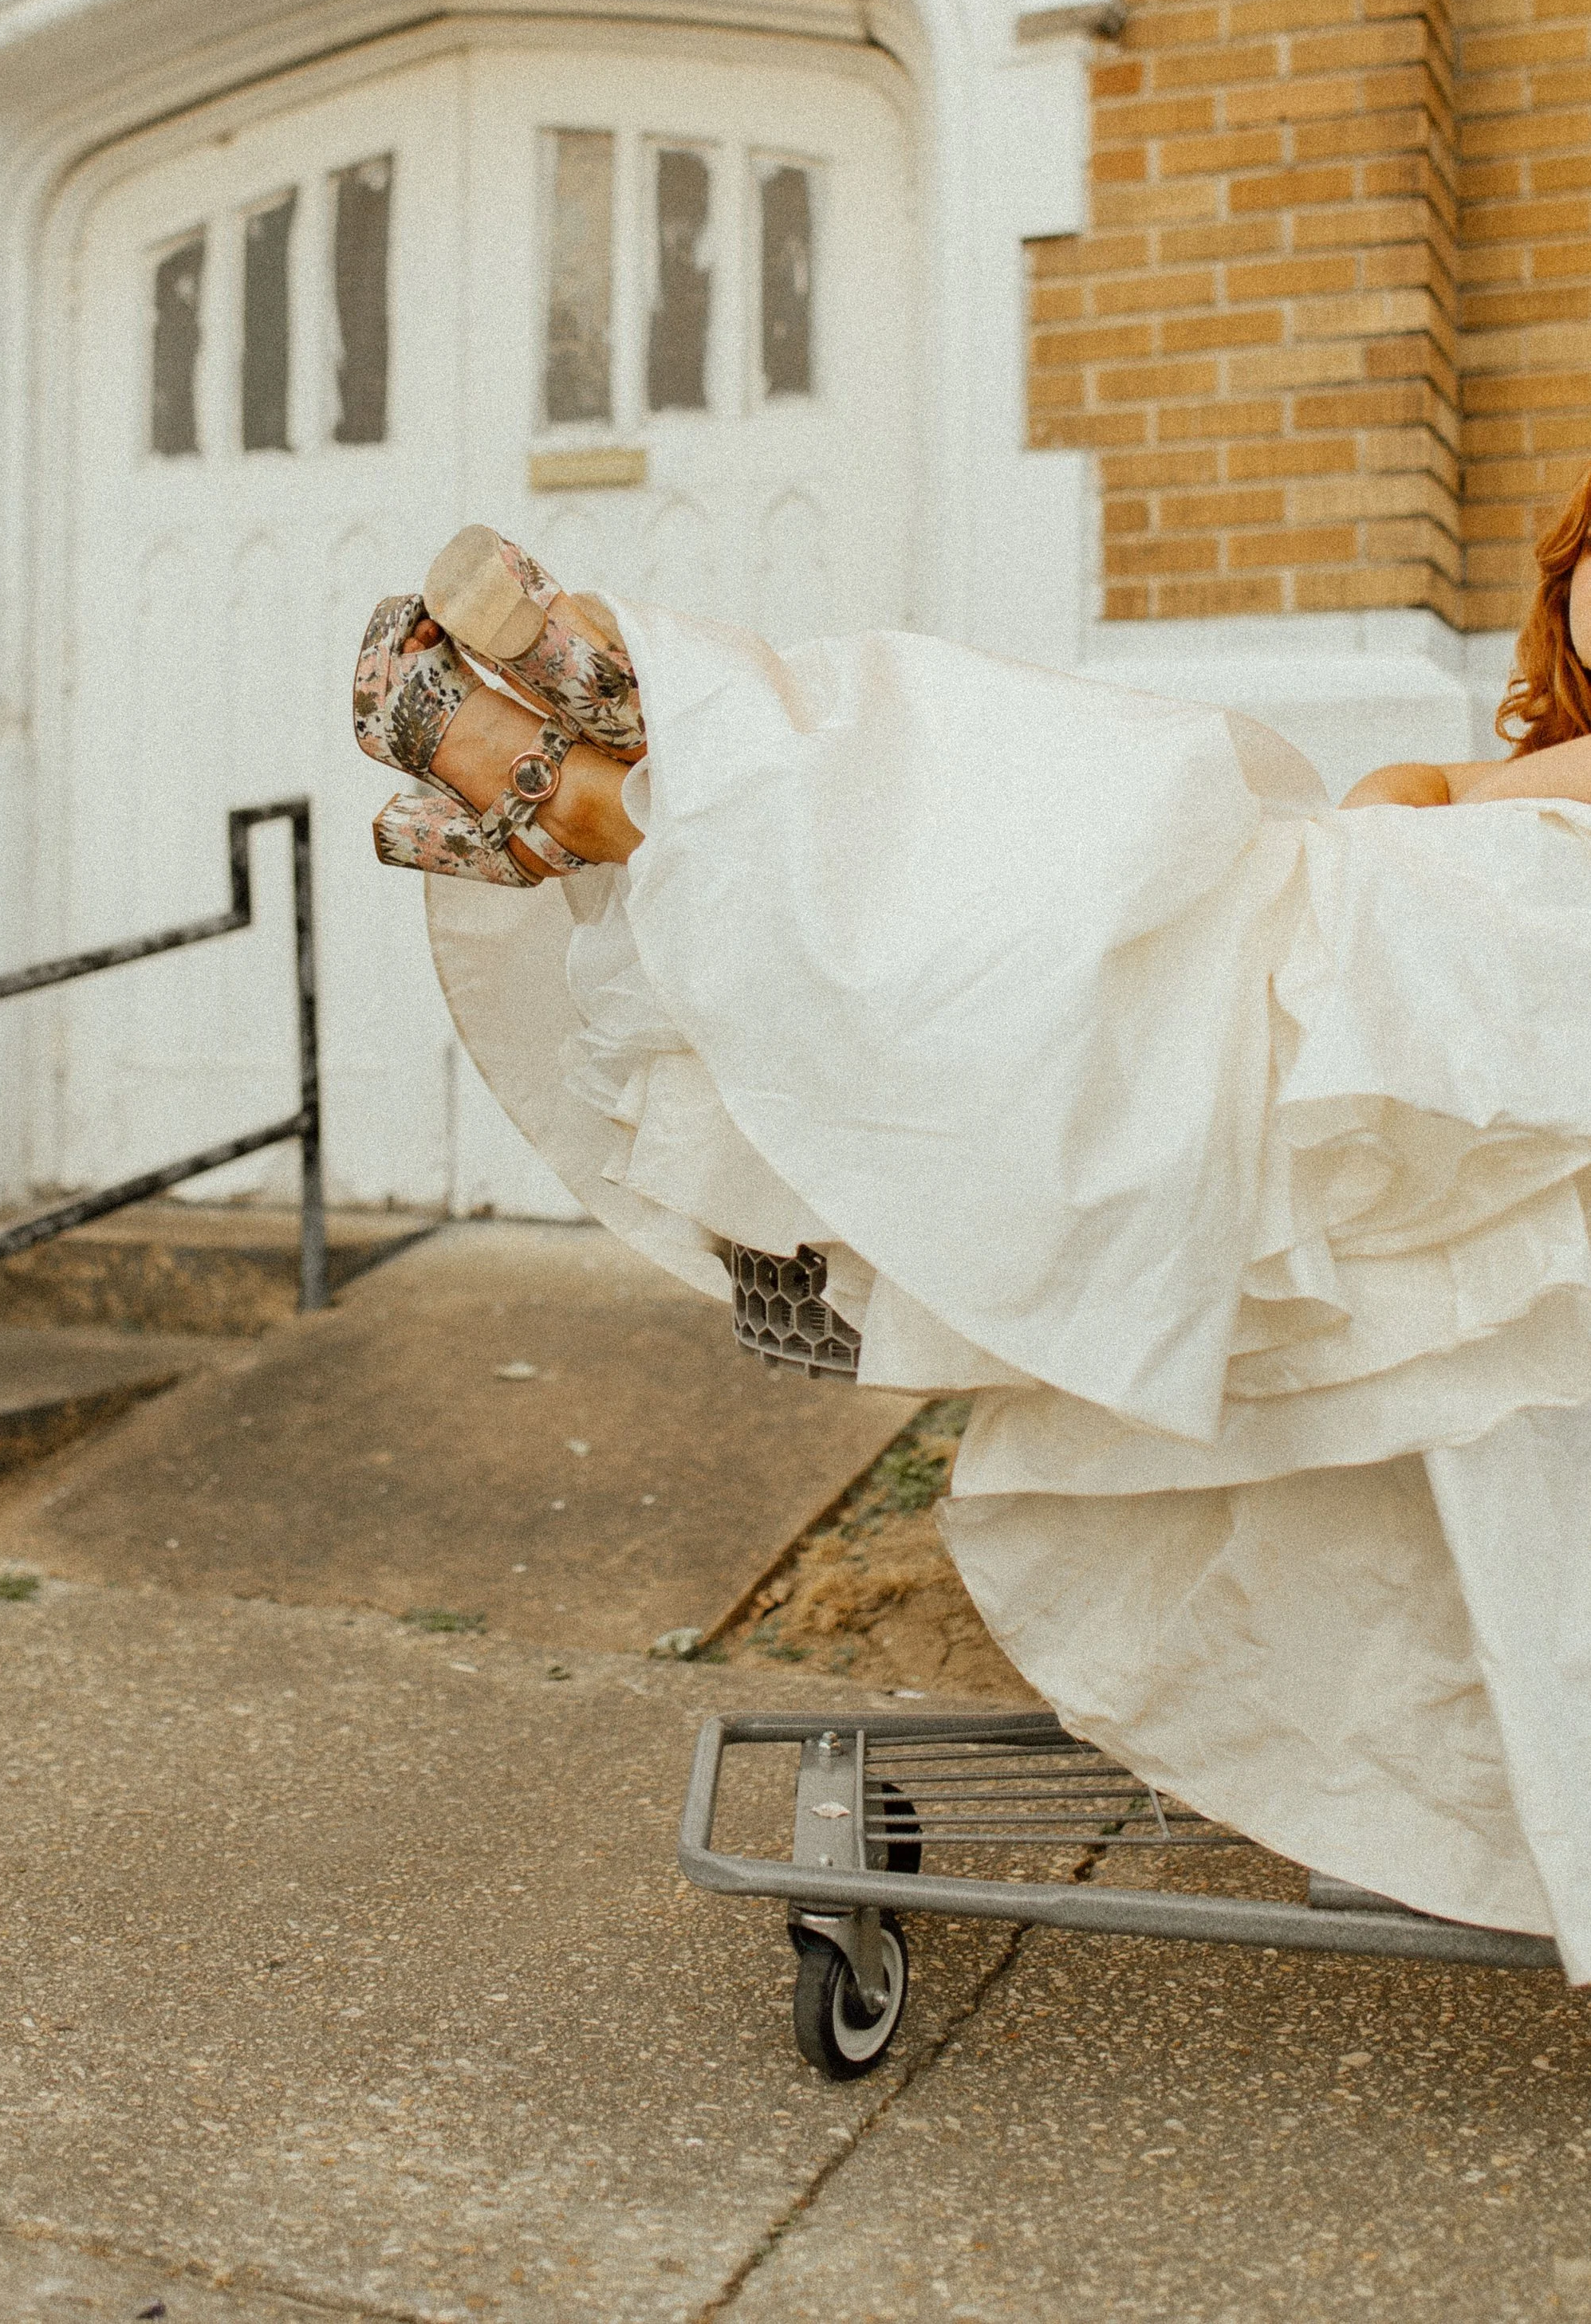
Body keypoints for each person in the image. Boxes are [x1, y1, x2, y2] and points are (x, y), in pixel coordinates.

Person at [353, 478, 1591, 1976]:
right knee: (1110, 837)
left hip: (1401, 1060)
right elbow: (1385, 823)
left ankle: (625, 778)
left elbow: (1420, 837)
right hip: (1330, 988)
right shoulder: (1502, 773)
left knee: (1097, 888)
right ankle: (644, 752)